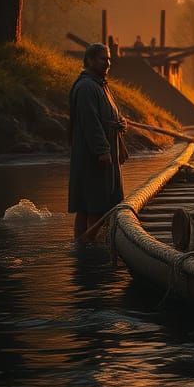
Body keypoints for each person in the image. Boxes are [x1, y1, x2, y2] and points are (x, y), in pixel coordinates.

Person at [68, 43, 128, 242]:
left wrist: (121, 122)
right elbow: (90, 122)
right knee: (95, 204)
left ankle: (84, 244)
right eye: (103, 59)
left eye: (109, 59)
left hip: (103, 154)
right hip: (92, 157)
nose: (107, 63)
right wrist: (102, 150)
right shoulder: (86, 87)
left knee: (92, 203)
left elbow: (110, 115)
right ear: (90, 60)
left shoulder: (100, 85)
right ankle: (87, 244)